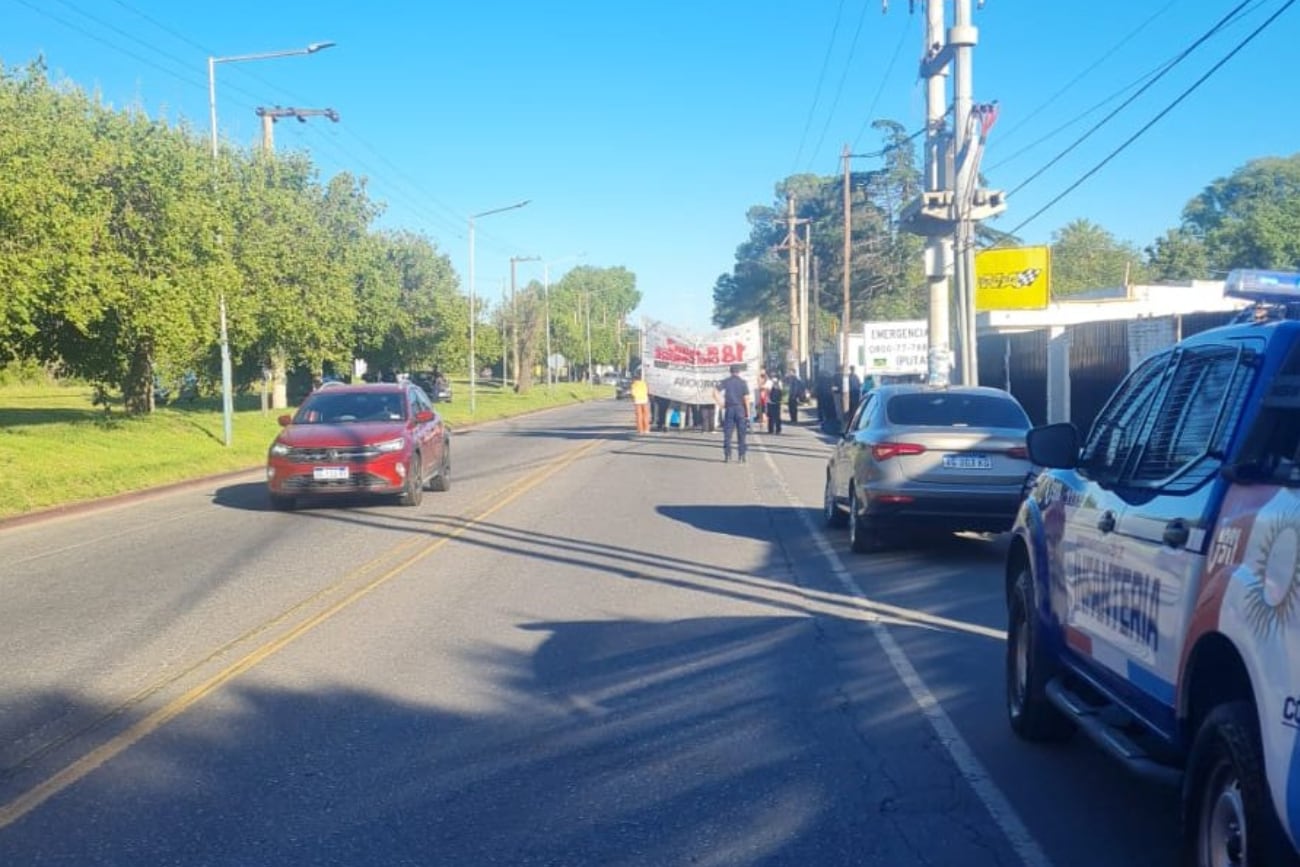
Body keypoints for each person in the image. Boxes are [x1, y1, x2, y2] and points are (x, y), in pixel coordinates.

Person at [714, 363, 752, 463]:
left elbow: (714, 392)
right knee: (741, 434)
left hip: (729, 408)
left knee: (728, 433)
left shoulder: (726, 381)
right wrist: (748, 413)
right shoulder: (743, 382)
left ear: (730, 372)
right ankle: (741, 455)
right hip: (740, 409)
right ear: (739, 372)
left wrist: (721, 403)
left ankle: (727, 455)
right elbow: (746, 398)